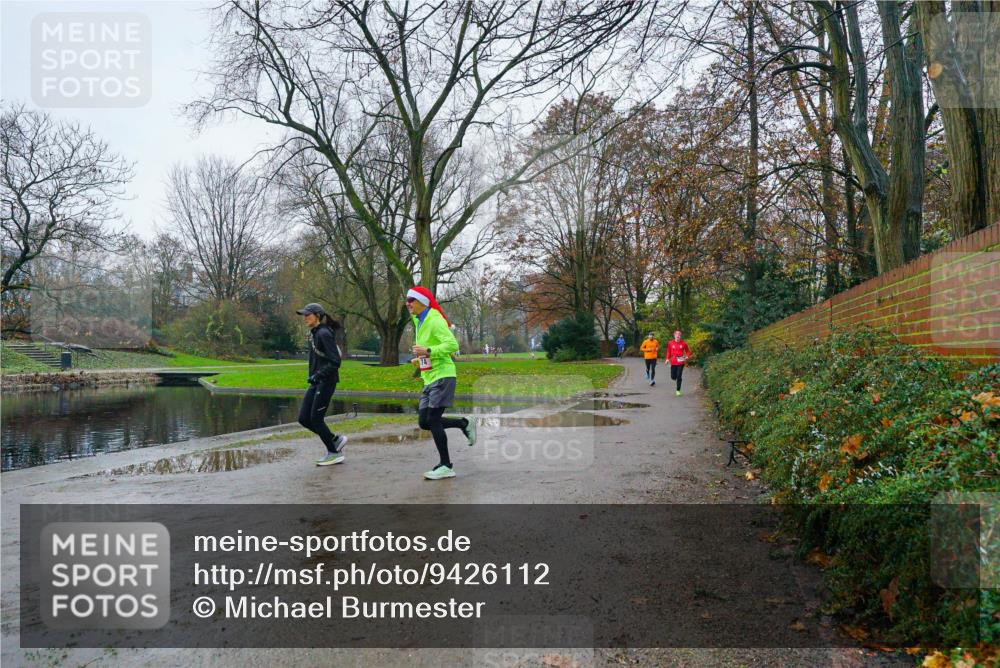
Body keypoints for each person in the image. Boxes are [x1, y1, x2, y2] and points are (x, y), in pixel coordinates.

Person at [406, 286, 476, 480]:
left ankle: (446, 465)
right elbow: (428, 348)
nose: (408, 304)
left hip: (443, 375)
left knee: (434, 419)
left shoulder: (435, 320)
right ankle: (463, 423)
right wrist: (420, 359)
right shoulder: (418, 320)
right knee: (424, 422)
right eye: (407, 300)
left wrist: (428, 351)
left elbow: (453, 345)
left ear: (422, 302)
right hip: (429, 377)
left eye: (411, 300)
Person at [296, 303, 347, 466]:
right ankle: (334, 440)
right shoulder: (314, 333)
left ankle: (334, 453)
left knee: (316, 419)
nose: (305, 318)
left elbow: (335, 361)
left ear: (317, 315)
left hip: (326, 382)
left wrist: (318, 375)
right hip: (316, 382)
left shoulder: (324, 333)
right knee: (304, 418)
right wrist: (315, 377)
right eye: (304, 315)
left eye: (308, 315)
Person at [666, 330, 692, 396]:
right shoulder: (670, 343)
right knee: (673, 377)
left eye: (679, 335)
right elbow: (668, 351)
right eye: (677, 335)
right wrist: (667, 359)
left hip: (681, 361)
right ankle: (675, 378)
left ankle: (678, 390)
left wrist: (687, 356)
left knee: (679, 375)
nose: (678, 336)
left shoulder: (684, 343)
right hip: (673, 361)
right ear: (674, 335)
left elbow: (688, 351)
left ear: (681, 336)